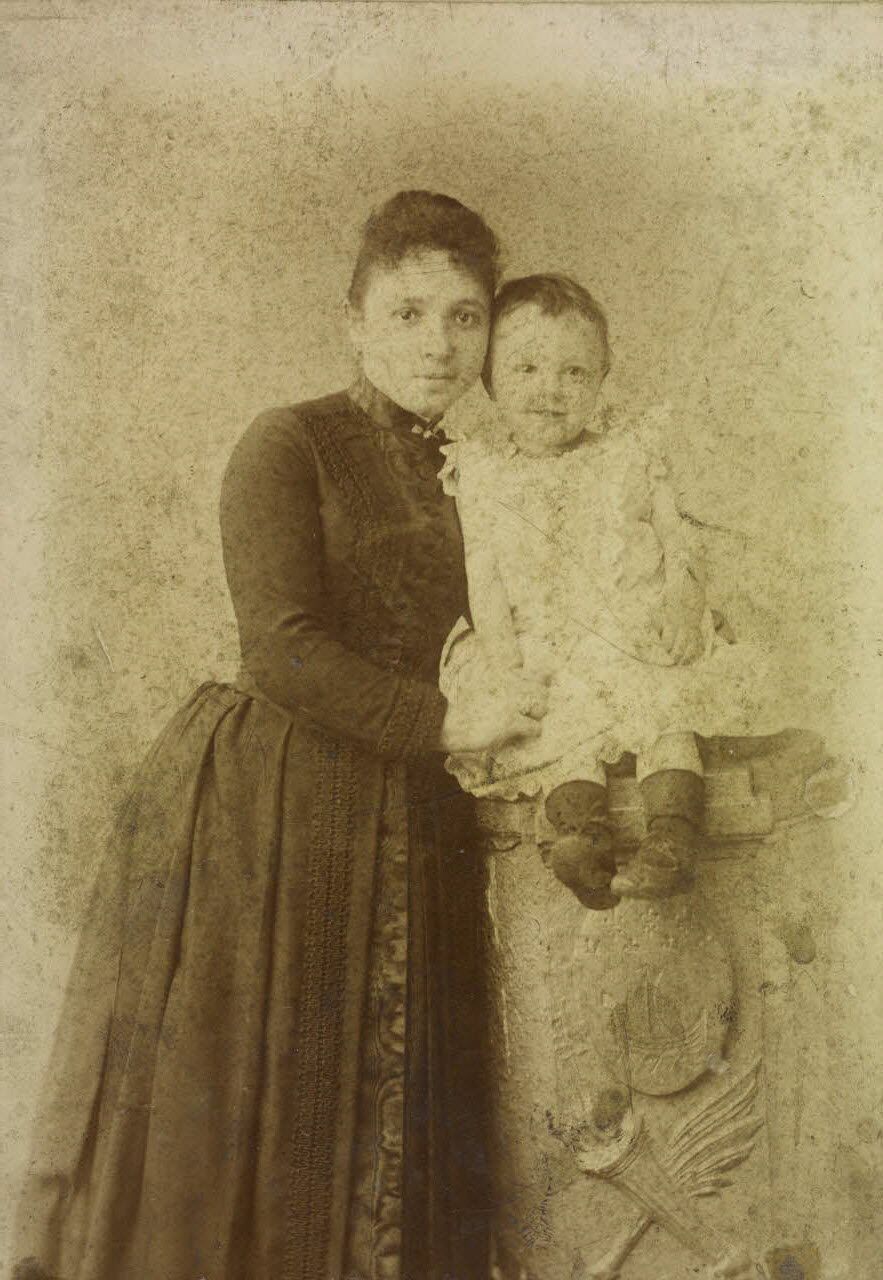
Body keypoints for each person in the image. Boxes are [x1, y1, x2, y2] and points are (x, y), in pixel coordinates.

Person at [12, 192, 549, 1280]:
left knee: (407, 1108)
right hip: (277, 806)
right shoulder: (289, 441)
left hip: (421, 812)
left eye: (464, 316)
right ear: (353, 321)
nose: (438, 344)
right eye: (406, 314)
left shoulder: (485, 471)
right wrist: (448, 721)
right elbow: (281, 647)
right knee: (270, 1107)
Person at [439, 273, 802, 906]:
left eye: (575, 372)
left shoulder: (628, 454)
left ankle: (672, 840)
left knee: (666, 715)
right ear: (490, 380)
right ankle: (581, 842)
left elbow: (680, 540)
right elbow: (485, 580)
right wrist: (506, 665)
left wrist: (683, 604)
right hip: (542, 642)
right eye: (526, 369)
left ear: (602, 377)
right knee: (562, 733)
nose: (551, 390)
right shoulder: (483, 473)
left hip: (633, 630)